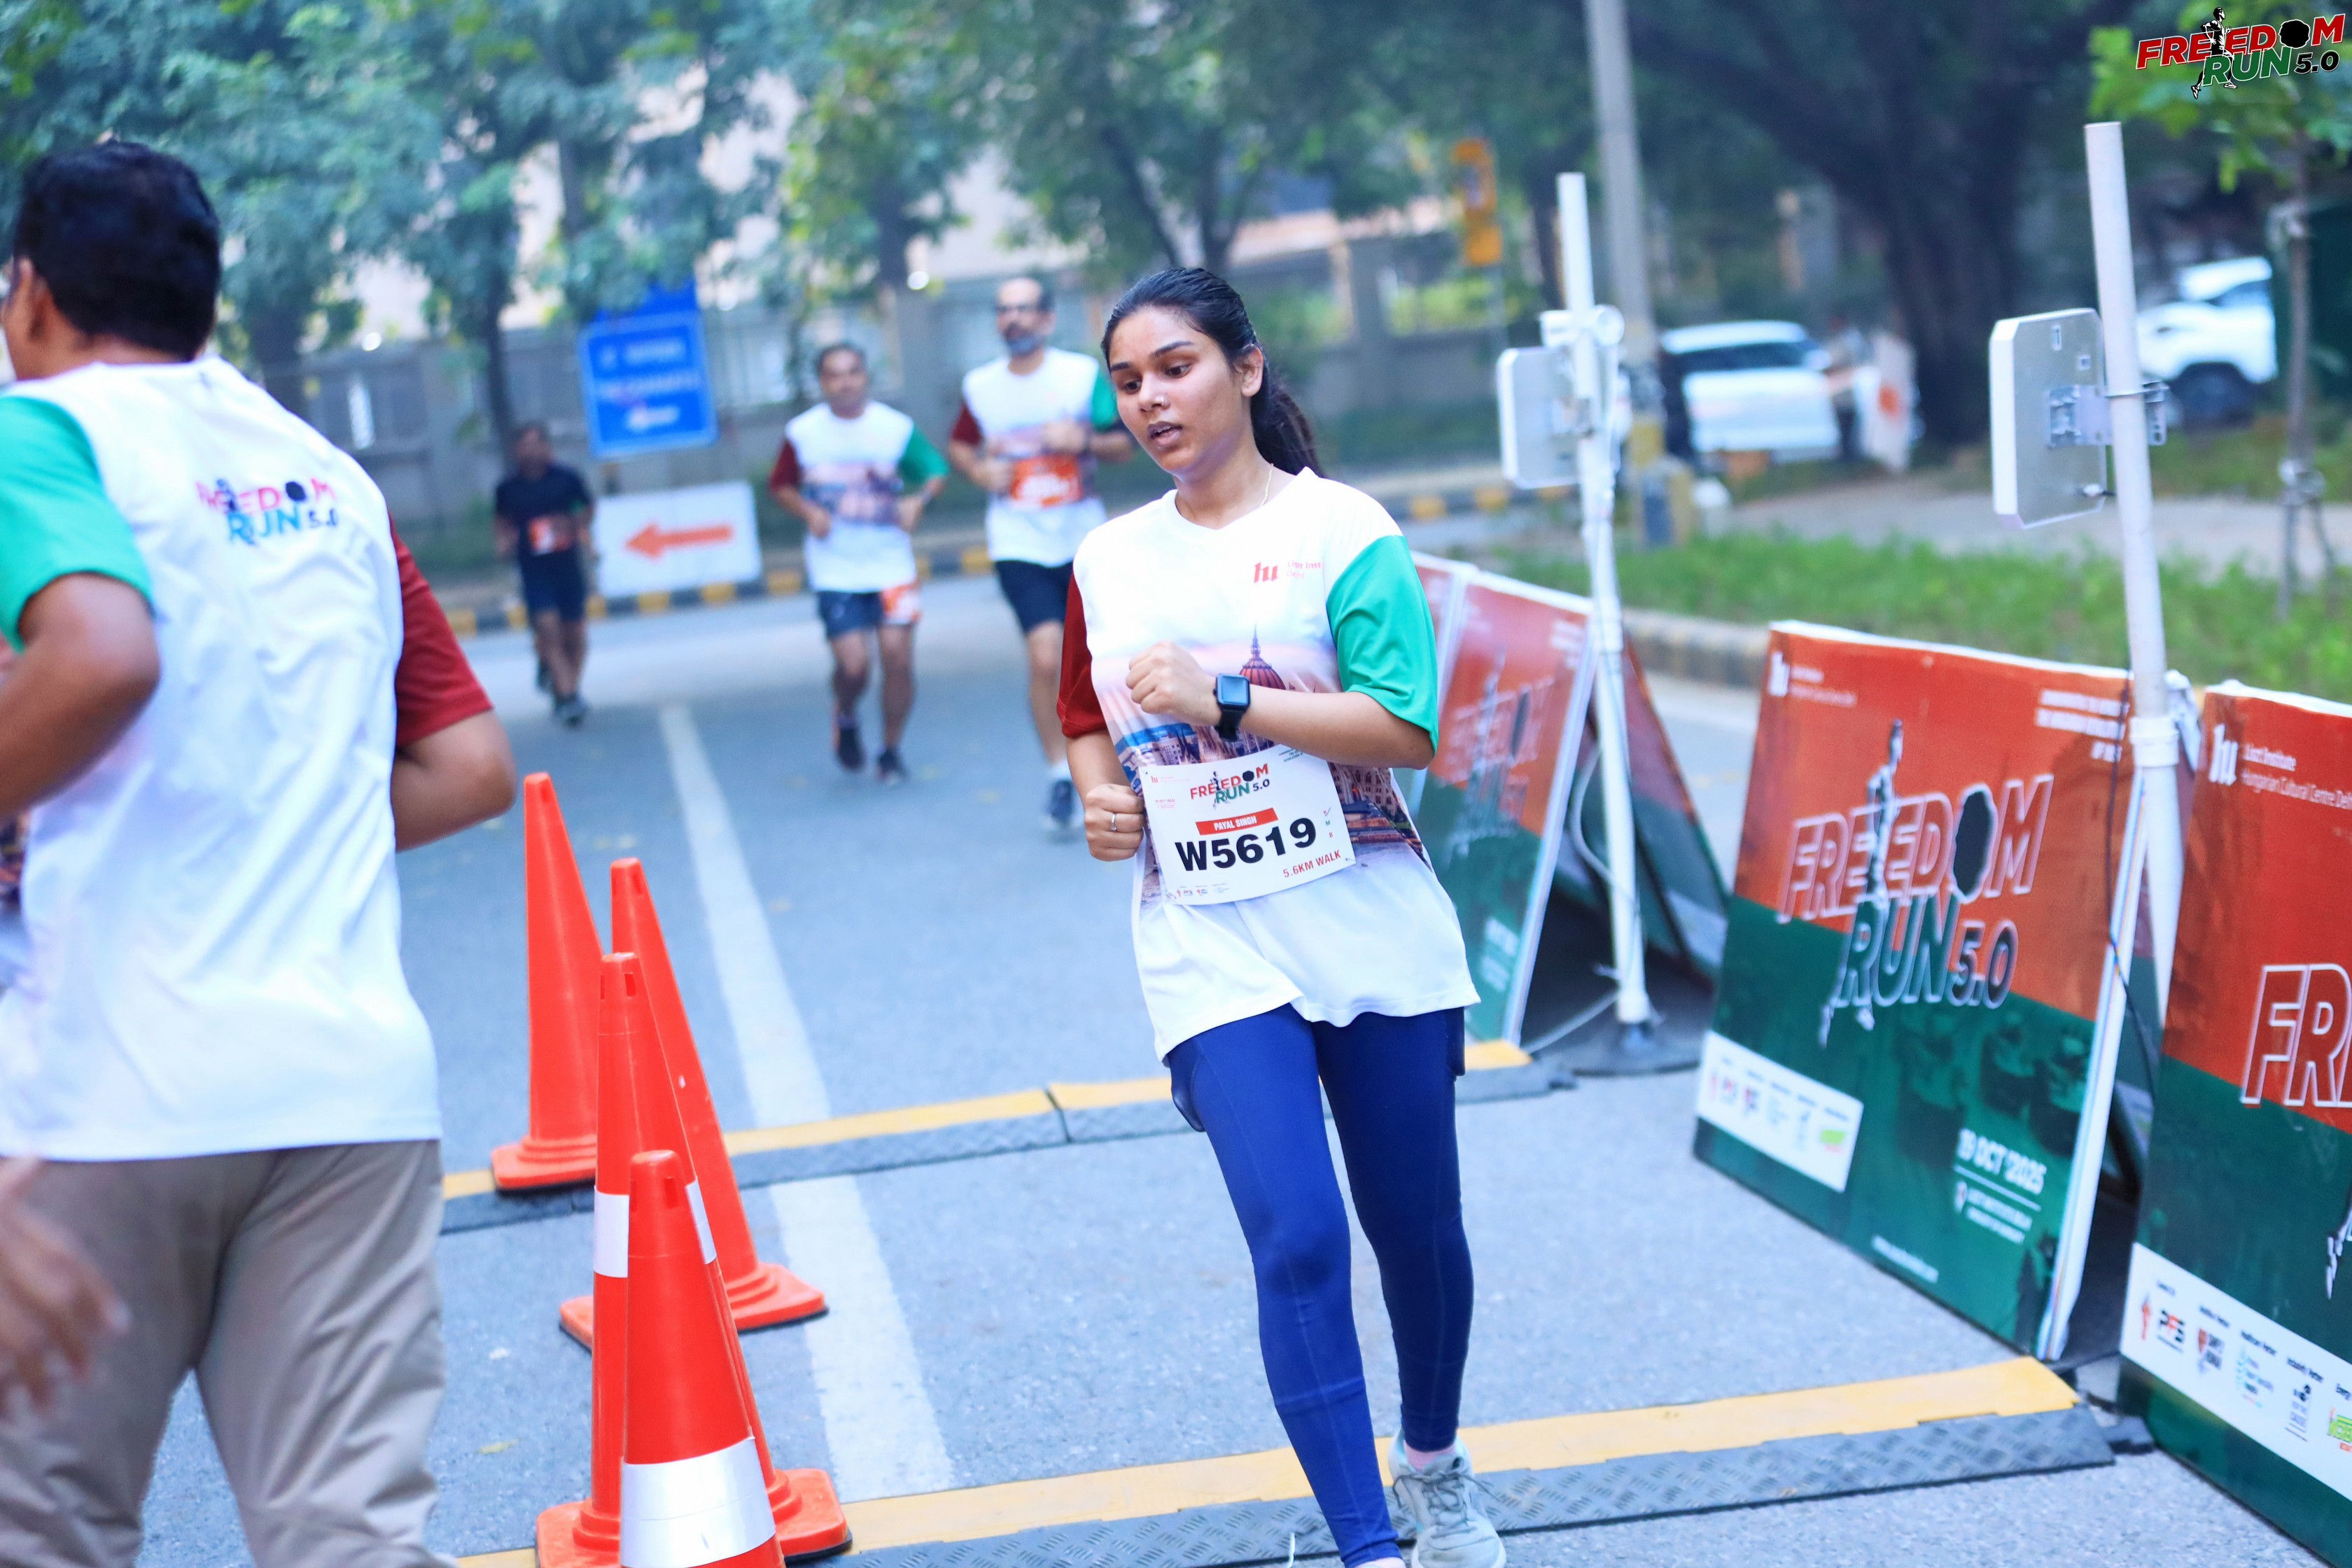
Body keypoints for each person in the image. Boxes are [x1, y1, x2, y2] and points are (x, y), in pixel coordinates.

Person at [0, 141, 515, 1568]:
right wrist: (268, 815)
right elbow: (469, 768)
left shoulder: (37, 434)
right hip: (351, 1093)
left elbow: (100, 657)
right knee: (348, 1538)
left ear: (30, 292)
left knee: (42, 1529)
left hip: (99, 1097)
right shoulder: (329, 475)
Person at [1059, 267, 1501, 1568]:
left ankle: (1433, 1465)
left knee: (1415, 1228)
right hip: (1209, 935)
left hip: (1368, 918)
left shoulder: (1342, 529)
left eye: (1177, 367)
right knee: (1297, 1235)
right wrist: (1098, 798)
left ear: (1245, 370)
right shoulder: (1107, 559)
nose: (1152, 400)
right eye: (1129, 382)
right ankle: (1368, 1546)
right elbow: (1085, 714)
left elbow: (1405, 727)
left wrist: (1227, 698)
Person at [950, 274, 1131, 831]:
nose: (1014, 319)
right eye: (1004, 310)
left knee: (1099, 658)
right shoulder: (981, 386)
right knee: (1046, 657)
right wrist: (979, 471)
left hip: (1081, 540)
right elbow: (959, 445)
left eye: (1025, 308)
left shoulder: (1079, 376)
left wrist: (1084, 441)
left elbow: (1124, 442)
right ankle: (1059, 773)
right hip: (1019, 541)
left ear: (1048, 319)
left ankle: (1118, 762)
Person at [769, 342, 949, 783]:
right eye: (834, 374)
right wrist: (808, 511)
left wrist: (919, 501)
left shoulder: (893, 428)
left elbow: (935, 471)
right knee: (854, 667)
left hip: (891, 565)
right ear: (822, 382)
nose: (845, 382)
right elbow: (780, 486)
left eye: (853, 372)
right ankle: (846, 712)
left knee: (898, 660)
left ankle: (890, 750)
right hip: (836, 569)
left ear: (866, 376)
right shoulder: (803, 433)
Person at [493, 421, 595, 725]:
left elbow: (585, 508)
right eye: (524, 445)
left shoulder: (566, 479)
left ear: (547, 446)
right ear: (516, 450)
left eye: (536, 443)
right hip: (534, 567)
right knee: (547, 627)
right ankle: (568, 695)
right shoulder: (509, 488)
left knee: (574, 632)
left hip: (567, 565)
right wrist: (504, 543)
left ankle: (568, 686)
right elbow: (502, 521)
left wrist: (575, 526)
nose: (531, 451)